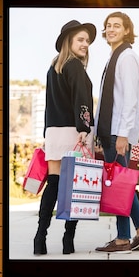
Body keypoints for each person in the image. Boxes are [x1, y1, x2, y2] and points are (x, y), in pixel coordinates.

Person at [33, 19, 96, 256]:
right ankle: (68, 240)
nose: (85, 44)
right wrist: (84, 127)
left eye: (87, 41)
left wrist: (46, 134)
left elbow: (50, 105)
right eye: (80, 39)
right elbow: (81, 98)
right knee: (76, 188)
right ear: (69, 41)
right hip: (74, 131)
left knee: (54, 184)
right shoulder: (75, 66)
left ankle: (40, 237)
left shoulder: (54, 67)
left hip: (54, 133)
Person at [95, 11, 139, 254]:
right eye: (108, 26)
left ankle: (126, 237)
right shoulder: (114, 57)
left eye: (117, 25)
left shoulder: (127, 58)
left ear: (127, 30)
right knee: (119, 182)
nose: (111, 29)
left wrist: (122, 136)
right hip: (111, 132)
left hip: (119, 133)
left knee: (119, 184)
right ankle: (137, 231)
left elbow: (129, 100)